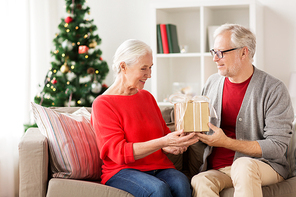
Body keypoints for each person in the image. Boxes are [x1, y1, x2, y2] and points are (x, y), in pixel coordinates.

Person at [191, 23, 294, 197]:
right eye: (213, 52)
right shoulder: (212, 83)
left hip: (263, 166)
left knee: (243, 165)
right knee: (200, 180)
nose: (215, 58)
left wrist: (226, 142)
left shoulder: (274, 89)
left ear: (244, 52)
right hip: (220, 169)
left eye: (221, 52)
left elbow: (277, 146)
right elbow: (204, 130)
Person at [91, 39, 199, 197]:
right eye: (144, 68)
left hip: (158, 167)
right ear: (123, 67)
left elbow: (162, 136)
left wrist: (172, 145)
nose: (149, 75)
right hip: (121, 171)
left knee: (181, 183)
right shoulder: (103, 104)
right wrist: (163, 142)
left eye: (150, 68)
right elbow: (119, 153)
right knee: (158, 189)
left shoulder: (147, 97)